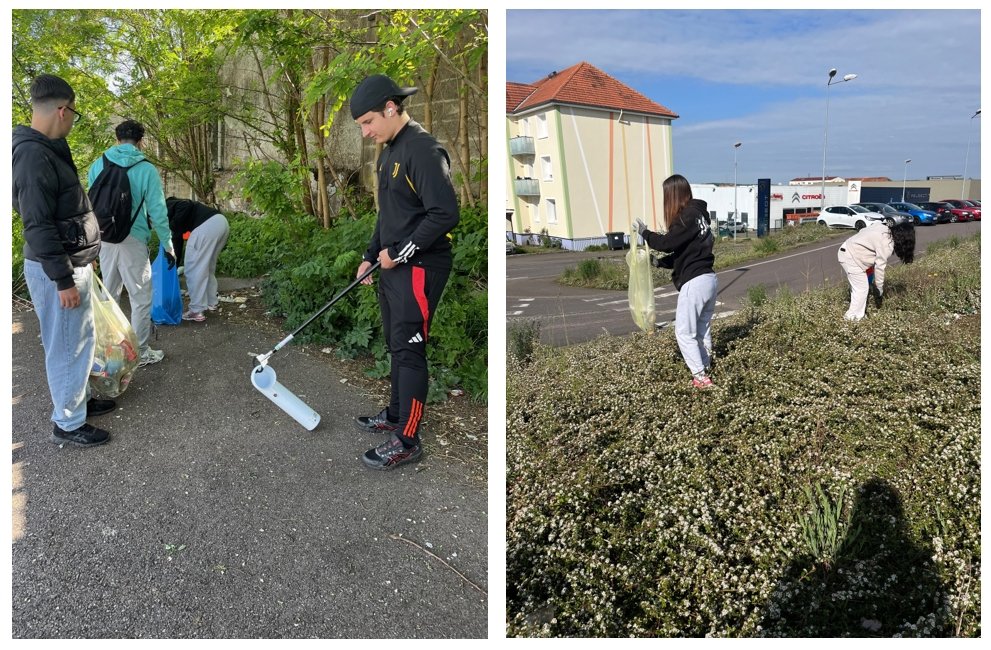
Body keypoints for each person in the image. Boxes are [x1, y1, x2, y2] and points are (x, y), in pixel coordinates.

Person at [349, 74, 460, 470]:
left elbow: (445, 214)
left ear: (391, 108)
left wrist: (399, 252)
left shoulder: (424, 150)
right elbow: (390, 215)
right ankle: (395, 415)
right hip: (393, 266)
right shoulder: (390, 150)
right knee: (397, 344)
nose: (365, 132)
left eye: (367, 122)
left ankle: (408, 439)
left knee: (410, 351)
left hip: (420, 267)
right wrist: (370, 254)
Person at [12, 74, 116, 447]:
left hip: (71, 262)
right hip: (56, 268)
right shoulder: (32, 154)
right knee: (67, 345)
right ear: (62, 109)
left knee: (79, 340)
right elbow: (36, 224)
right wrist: (63, 280)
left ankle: (80, 402)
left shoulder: (49, 147)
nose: (74, 119)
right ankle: (68, 423)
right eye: (74, 111)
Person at [87, 120, 175, 366]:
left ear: (116, 140)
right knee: (140, 297)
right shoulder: (146, 169)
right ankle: (140, 351)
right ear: (141, 141)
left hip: (104, 238)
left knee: (109, 295)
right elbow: (158, 211)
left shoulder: (98, 164)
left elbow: (90, 204)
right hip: (133, 239)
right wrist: (168, 244)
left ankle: (107, 349)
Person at [635, 174, 718, 389]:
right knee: (701, 329)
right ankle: (706, 367)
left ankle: (701, 379)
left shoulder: (687, 216)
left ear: (672, 196)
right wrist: (659, 263)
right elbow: (684, 252)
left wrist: (645, 233)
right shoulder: (700, 217)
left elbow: (666, 242)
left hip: (695, 281)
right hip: (709, 278)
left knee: (683, 332)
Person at [165, 197, 230, 322]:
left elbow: (186, 205)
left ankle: (196, 310)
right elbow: (177, 240)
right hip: (221, 222)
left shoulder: (165, 205)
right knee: (206, 267)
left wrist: (172, 226)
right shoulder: (171, 208)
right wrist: (173, 262)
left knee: (193, 269)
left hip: (205, 226)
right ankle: (212, 302)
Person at [837, 220, 915, 321]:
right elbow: (879, 268)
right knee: (861, 289)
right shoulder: (887, 245)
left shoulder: (883, 228)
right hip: (850, 256)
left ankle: (859, 315)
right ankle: (852, 318)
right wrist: (879, 290)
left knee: (861, 287)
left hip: (849, 250)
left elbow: (868, 228)